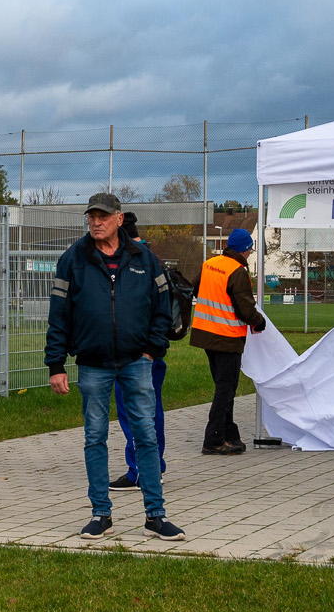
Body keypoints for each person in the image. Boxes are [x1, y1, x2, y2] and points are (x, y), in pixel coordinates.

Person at [45, 192, 183, 541]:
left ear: (119, 219)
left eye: (103, 217)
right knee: (95, 438)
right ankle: (100, 514)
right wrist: (56, 364)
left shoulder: (144, 258)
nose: (96, 222)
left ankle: (156, 516)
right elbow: (59, 315)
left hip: (137, 362)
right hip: (92, 365)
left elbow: (163, 307)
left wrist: (152, 349)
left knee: (146, 436)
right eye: (92, 217)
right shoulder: (72, 260)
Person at [191, 227, 267, 455]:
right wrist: (260, 322)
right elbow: (245, 308)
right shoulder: (238, 271)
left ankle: (229, 434)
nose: (250, 253)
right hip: (227, 337)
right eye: (250, 250)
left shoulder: (210, 264)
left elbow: (195, 288)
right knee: (226, 389)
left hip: (206, 334)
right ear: (244, 250)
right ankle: (213, 439)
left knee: (223, 386)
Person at [113, 213, 166, 489]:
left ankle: (139, 470)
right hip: (150, 352)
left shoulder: (134, 261)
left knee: (135, 413)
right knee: (152, 411)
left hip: (135, 354)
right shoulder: (152, 259)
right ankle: (154, 466)